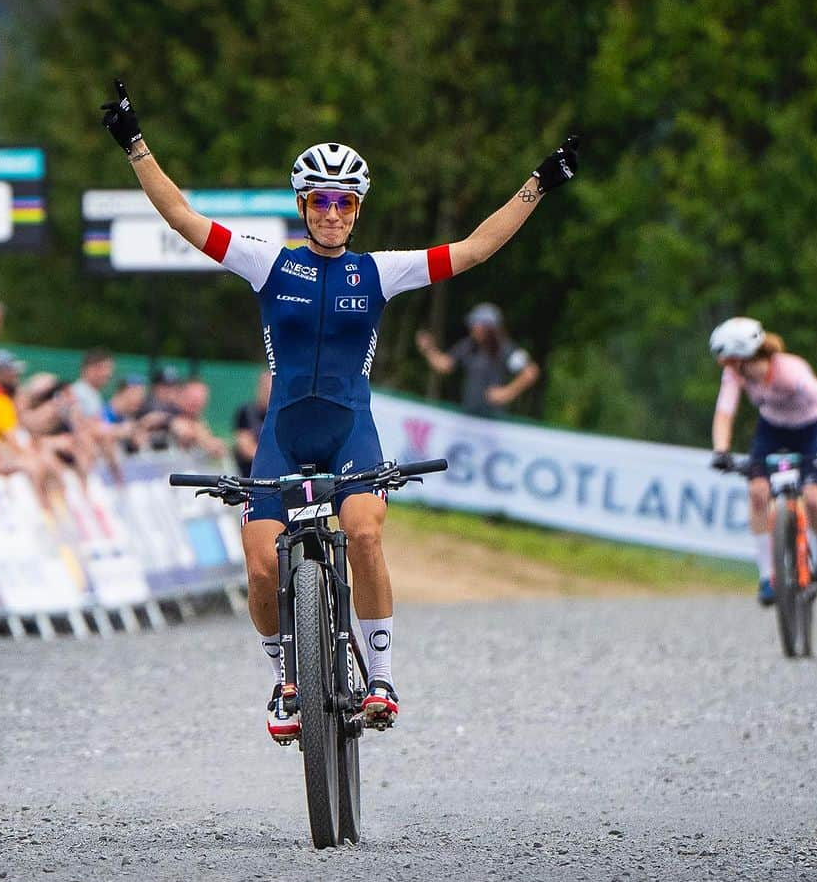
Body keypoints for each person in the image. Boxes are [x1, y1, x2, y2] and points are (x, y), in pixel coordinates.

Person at [101, 77, 578, 742]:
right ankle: (284, 681)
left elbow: (473, 249)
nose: (332, 212)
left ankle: (380, 674)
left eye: (344, 202)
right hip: (284, 433)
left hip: (351, 427)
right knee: (262, 564)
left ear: (356, 210)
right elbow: (182, 217)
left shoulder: (380, 271)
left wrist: (538, 184)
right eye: (320, 200)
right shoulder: (268, 263)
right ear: (303, 206)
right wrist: (134, 144)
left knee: (367, 532)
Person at [708, 317, 817, 606]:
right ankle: (767, 576)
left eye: (727, 360)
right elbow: (724, 413)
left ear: (742, 357)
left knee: (813, 499)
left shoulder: (790, 372)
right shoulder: (735, 375)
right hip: (770, 432)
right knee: (757, 493)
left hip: (808, 432)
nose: (724, 367)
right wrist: (721, 450)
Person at [415, 302, 540, 417]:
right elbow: (445, 365)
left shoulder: (506, 349)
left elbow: (530, 372)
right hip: (469, 415)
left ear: (489, 327)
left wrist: (506, 392)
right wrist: (429, 350)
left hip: (494, 419)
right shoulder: (468, 346)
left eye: (476, 324)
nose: (473, 328)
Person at [233, 369, 271, 474]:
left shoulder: (281, 415)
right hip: (250, 475)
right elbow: (245, 448)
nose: (268, 393)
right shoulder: (246, 412)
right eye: (265, 389)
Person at [70, 347, 116, 419]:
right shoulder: (78, 392)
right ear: (88, 369)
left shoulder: (92, 393)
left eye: (109, 368)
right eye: (101, 368)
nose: (107, 373)